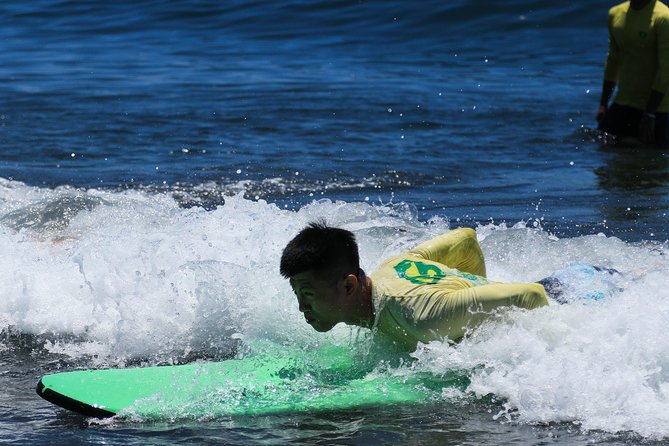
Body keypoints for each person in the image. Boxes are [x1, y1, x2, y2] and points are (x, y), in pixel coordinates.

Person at [279, 222, 549, 352]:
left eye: (308, 294)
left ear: (349, 286)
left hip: (572, 294)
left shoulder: (420, 317)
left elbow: (530, 295)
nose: (301, 306)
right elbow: (464, 239)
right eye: (297, 293)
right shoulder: (392, 266)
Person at [597, 0, 669, 147]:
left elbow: (666, 69)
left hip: (659, 110)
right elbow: (613, 61)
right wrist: (603, 104)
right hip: (623, 104)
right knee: (606, 158)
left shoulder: (663, 17)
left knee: (653, 163)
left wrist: (649, 113)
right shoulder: (615, 13)